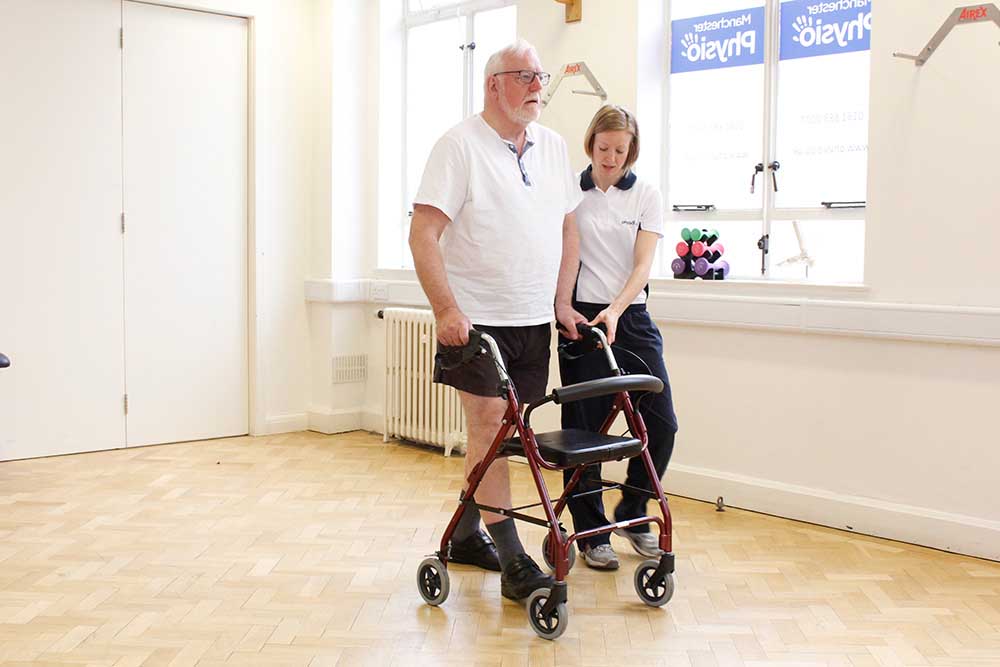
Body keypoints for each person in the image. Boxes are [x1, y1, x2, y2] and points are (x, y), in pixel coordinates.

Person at [408, 39, 583, 601]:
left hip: (533, 319)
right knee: (489, 429)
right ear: (493, 84)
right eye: (525, 77)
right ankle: (514, 563)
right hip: (476, 324)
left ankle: (463, 535)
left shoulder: (553, 148)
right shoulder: (458, 147)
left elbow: (567, 230)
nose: (538, 87)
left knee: (510, 435)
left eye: (540, 76)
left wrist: (560, 302)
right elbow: (423, 234)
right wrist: (446, 310)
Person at [554, 104, 679, 571]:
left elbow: (642, 265)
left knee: (661, 423)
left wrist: (618, 309)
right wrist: (566, 308)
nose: (610, 158)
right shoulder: (570, 190)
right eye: (603, 149)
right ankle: (591, 532)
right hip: (580, 320)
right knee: (584, 430)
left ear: (632, 152)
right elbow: (559, 251)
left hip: (631, 316)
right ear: (591, 144)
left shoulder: (645, 193)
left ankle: (633, 510)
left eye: (620, 151)